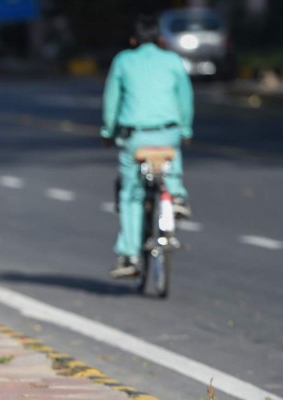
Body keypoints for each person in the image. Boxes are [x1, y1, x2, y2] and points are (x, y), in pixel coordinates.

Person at [101, 14, 194, 278]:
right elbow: (185, 99)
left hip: (135, 137)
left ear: (133, 40)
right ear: (160, 39)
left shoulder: (123, 61)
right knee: (171, 156)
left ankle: (130, 255)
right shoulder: (173, 60)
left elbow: (112, 102)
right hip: (168, 133)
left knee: (131, 194)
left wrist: (108, 132)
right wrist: (185, 130)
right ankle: (175, 195)